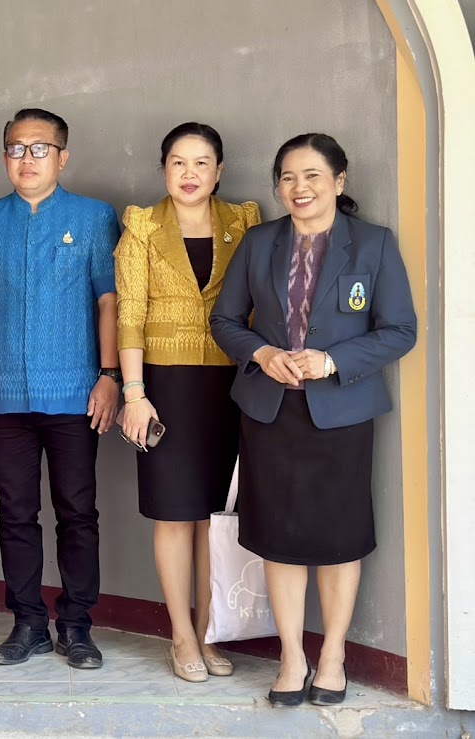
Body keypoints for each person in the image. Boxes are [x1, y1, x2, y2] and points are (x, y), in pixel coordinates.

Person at [210, 133, 416, 706]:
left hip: (342, 412)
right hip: (270, 412)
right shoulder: (259, 243)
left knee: (339, 538)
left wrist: (332, 360)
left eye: (312, 176)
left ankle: (333, 656)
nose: (299, 189)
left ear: (339, 182)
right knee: (280, 539)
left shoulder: (372, 245)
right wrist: (264, 354)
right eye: (288, 178)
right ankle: (292, 657)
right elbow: (225, 321)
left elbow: (401, 330)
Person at [0, 108, 120, 669]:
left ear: (63, 156)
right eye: (17, 149)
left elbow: (109, 302)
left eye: (40, 148)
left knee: (78, 511)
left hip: (76, 391)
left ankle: (76, 623)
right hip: (2, 394)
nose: (27, 159)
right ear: (4, 157)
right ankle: (27, 622)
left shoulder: (95, 218)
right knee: (14, 512)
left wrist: (111, 376)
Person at [115, 122, 261, 683]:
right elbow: (129, 316)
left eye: (202, 163)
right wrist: (135, 395)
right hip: (163, 388)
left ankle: (210, 632)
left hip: (230, 386)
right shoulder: (144, 227)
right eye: (178, 162)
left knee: (213, 520)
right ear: (164, 169)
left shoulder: (244, 223)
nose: (190, 174)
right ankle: (181, 637)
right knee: (176, 516)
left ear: (219, 170)